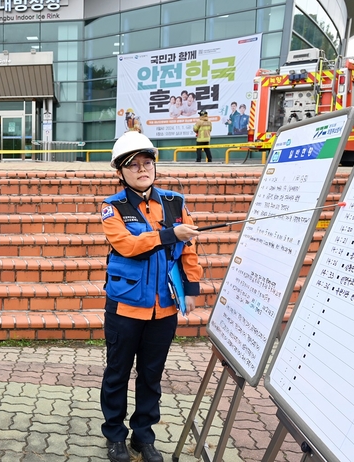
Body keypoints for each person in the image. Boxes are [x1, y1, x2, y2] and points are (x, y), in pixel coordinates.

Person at [100, 131, 203, 462]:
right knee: (117, 373)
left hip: (165, 307)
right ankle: (115, 435)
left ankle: (143, 436)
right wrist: (169, 233)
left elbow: (188, 249)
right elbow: (127, 246)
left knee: (151, 376)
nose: (142, 170)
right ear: (120, 172)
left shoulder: (175, 202)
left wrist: (191, 288)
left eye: (147, 163)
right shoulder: (112, 207)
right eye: (133, 165)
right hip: (126, 306)